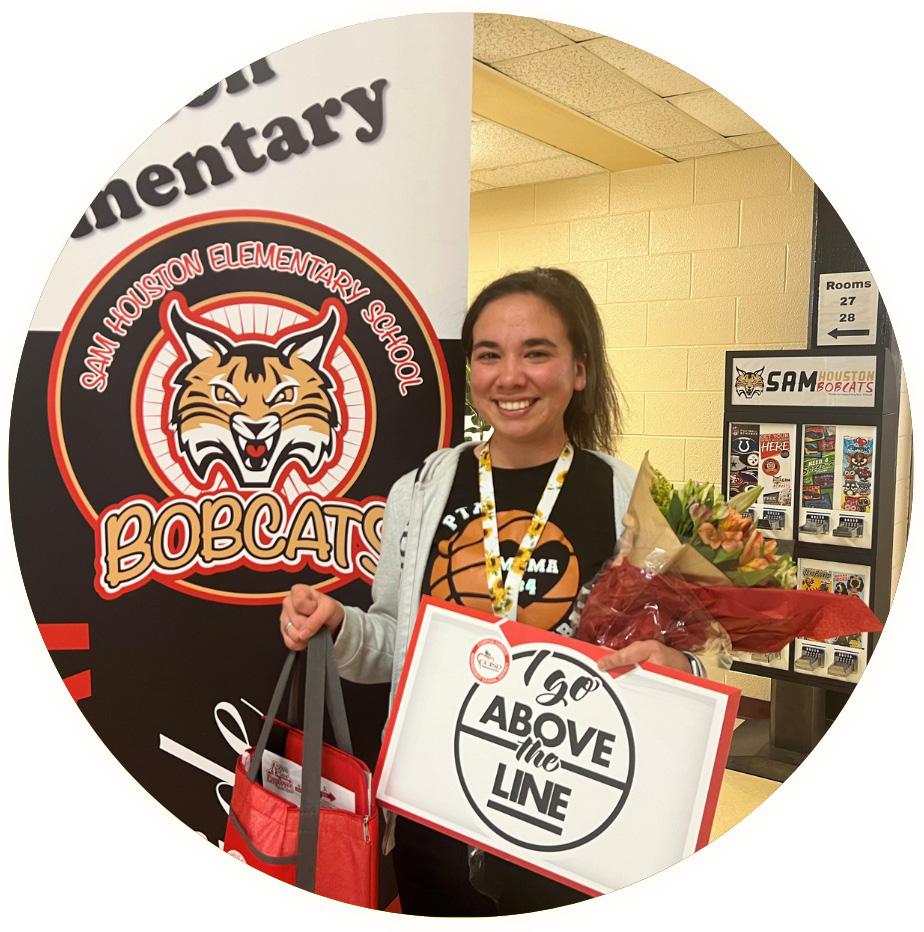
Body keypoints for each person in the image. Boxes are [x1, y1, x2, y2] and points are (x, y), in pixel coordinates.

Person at [279, 267, 702, 915]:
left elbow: (685, 658)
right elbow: (395, 645)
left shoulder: (630, 501)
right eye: (489, 355)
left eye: (536, 353)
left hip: (572, 818)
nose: (510, 376)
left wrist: (676, 667)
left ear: (580, 370)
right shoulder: (421, 491)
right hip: (434, 812)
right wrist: (338, 623)